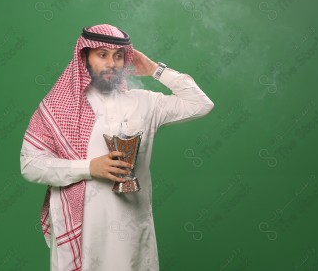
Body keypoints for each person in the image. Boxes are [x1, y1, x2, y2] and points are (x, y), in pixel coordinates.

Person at [20, 24, 214, 270]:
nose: (112, 63)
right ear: (84, 57)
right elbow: (30, 165)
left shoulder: (144, 103)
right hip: (82, 235)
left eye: (118, 56)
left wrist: (156, 69)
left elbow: (200, 104)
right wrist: (90, 167)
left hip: (132, 233)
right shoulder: (59, 108)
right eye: (102, 55)